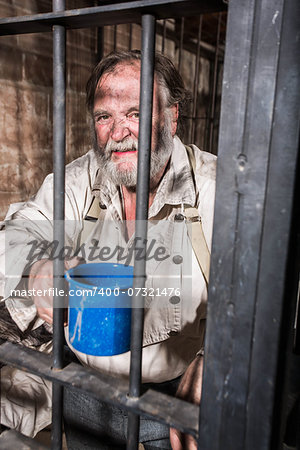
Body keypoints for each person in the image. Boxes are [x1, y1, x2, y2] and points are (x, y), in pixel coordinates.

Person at [1, 50, 216, 449]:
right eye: (104, 117)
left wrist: (216, 359)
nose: (118, 132)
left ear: (171, 116)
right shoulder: (82, 177)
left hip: (170, 409)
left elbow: (265, 297)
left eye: (135, 113)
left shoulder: (213, 187)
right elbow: (13, 234)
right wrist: (39, 266)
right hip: (82, 393)